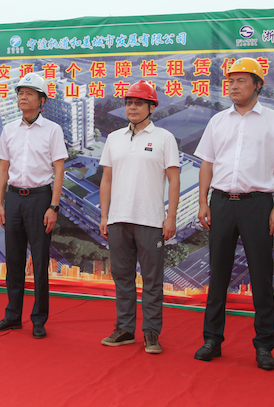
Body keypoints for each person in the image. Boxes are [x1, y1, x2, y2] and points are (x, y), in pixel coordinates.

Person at [193, 58, 274, 370]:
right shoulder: (218, 121)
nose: (233, 86)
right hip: (222, 203)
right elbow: (207, 163)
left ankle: (264, 345)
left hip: (257, 205)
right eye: (231, 81)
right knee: (218, 275)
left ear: (257, 85)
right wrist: (203, 202)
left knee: (261, 277)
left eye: (241, 81)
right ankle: (212, 340)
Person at [98, 80, 181, 354]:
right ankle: (124, 329)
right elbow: (106, 179)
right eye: (129, 103)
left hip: (151, 220)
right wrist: (104, 215)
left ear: (152, 107)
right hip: (118, 219)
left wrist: (171, 217)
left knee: (152, 280)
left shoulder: (164, 138)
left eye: (139, 103)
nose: (132, 107)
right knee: (122, 277)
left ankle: (151, 333)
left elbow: (174, 179)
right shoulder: (114, 138)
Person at [0, 73, 67, 340]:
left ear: (42, 100)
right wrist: (0, 203)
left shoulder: (53, 130)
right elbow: (3, 169)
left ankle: (39, 318)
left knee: (40, 261)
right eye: (20, 93)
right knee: (13, 259)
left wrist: (53, 207)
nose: (23, 97)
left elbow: (59, 171)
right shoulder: (9, 129)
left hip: (40, 200)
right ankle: (12, 315)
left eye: (29, 93)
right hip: (13, 199)